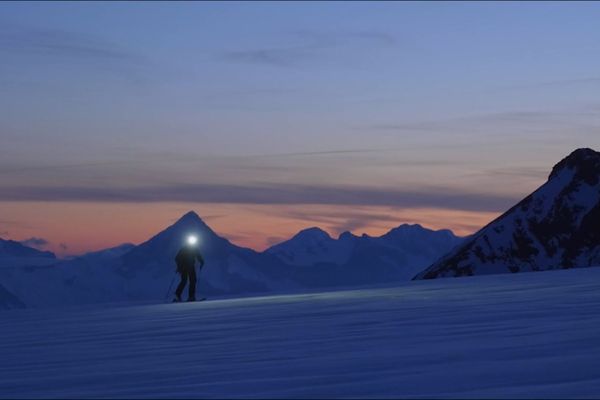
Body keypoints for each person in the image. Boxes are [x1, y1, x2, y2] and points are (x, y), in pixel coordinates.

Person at [173, 238, 205, 302]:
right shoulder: (190, 249)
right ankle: (190, 296)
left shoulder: (184, 249)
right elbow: (198, 256)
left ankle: (178, 295)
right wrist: (202, 262)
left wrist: (179, 266)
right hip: (188, 267)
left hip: (184, 268)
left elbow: (176, 258)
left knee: (185, 281)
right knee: (192, 280)